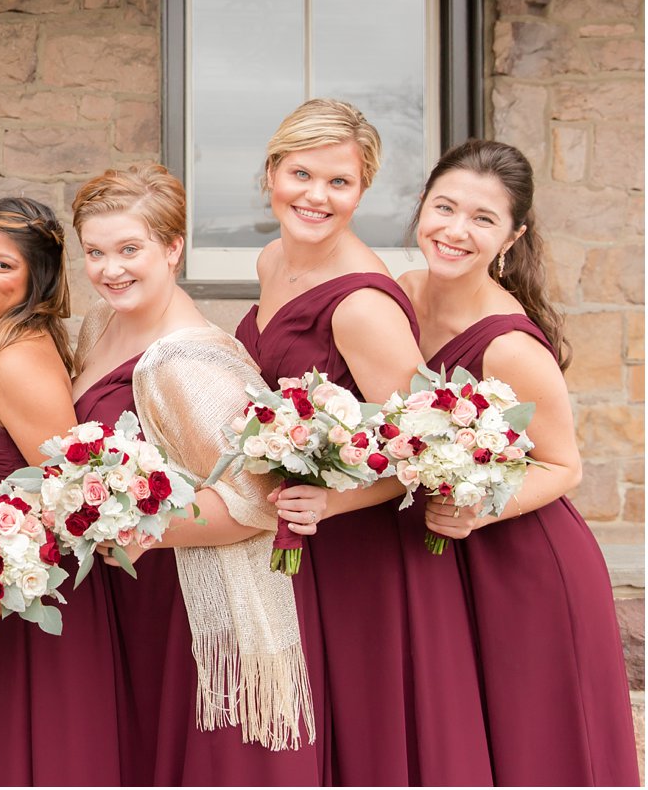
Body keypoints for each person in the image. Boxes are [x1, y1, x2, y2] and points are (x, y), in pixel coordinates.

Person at [233, 98, 491, 785]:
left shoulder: (363, 305)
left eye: (339, 182)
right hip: (294, 546)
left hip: (358, 555)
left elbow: (427, 451)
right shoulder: (269, 260)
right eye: (300, 174)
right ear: (270, 174)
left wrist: (333, 505)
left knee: (359, 736)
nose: (316, 196)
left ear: (363, 189)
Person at [69, 166, 320, 784]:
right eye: (95, 253)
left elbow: (260, 501)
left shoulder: (186, 360)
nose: (111, 269)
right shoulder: (101, 323)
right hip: (129, 593)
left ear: (173, 247)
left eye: (130, 250)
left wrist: (133, 524)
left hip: (186, 600)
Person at [400, 139, 639, 785]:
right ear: (421, 207)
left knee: (532, 750)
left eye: (482, 219)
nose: (455, 230)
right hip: (435, 562)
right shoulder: (395, 296)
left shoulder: (508, 344)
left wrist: (478, 508)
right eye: (444, 207)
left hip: (520, 565)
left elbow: (564, 466)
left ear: (512, 236)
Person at [0, 197, 123, 786]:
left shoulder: (17, 360)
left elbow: (69, 499)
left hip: (25, 604)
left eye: (2, 265)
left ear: (36, 276)